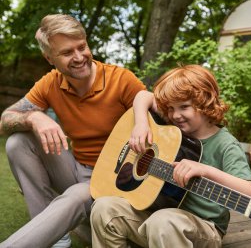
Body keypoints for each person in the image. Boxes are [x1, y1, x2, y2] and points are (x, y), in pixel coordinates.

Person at [0, 14, 146, 248]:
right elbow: (5, 120)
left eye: (82, 47)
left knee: (76, 196)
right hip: (77, 169)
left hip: (114, 180)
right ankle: (56, 236)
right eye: (67, 53)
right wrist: (34, 117)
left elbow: (153, 109)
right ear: (49, 58)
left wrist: (141, 121)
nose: (79, 57)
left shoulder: (121, 79)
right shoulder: (50, 83)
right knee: (18, 142)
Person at [90, 64, 251, 248]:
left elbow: (249, 192)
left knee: (163, 222)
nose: (175, 115)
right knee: (104, 208)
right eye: (170, 108)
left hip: (203, 228)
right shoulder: (176, 126)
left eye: (184, 107)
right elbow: (143, 96)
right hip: (159, 216)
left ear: (205, 102)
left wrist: (205, 170)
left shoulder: (225, 144)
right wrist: (141, 123)